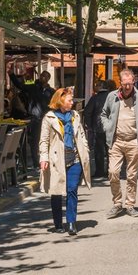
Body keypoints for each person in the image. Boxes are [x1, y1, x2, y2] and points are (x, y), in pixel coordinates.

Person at [100, 70, 138, 219]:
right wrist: (107, 127)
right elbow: (103, 114)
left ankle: (130, 204)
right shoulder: (112, 97)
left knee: (132, 175)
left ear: (134, 82)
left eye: (129, 84)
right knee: (113, 172)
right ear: (120, 83)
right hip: (116, 141)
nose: (126, 87)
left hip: (133, 141)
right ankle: (117, 203)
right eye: (124, 84)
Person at [39, 88, 92, 236]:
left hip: (74, 158)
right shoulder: (49, 118)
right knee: (56, 192)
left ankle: (71, 222)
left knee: (72, 189)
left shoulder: (75, 116)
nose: (72, 102)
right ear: (61, 101)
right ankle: (57, 223)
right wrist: (44, 158)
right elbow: (44, 141)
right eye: (69, 100)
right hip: (57, 160)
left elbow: (81, 134)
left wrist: (85, 150)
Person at [9, 65, 55, 164]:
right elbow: (20, 85)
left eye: (45, 76)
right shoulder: (33, 87)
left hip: (47, 119)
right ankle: (36, 162)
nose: (42, 77)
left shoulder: (51, 92)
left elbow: (55, 105)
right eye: (41, 75)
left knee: (47, 140)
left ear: (48, 79)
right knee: (34, 141)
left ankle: (46, 160)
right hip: (35, 119)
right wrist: (11, 75)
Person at [84, 80, 115, 180]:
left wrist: (90, 125)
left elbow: (87, 112)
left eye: (97, 85)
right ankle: (111, 170)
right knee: (111, 150)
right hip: (110, 127)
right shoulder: (113, 98)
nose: (95, 86)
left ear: (101, 86)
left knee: (99, 151)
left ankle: (99, 171)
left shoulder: (95, 98)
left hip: (98, 127)